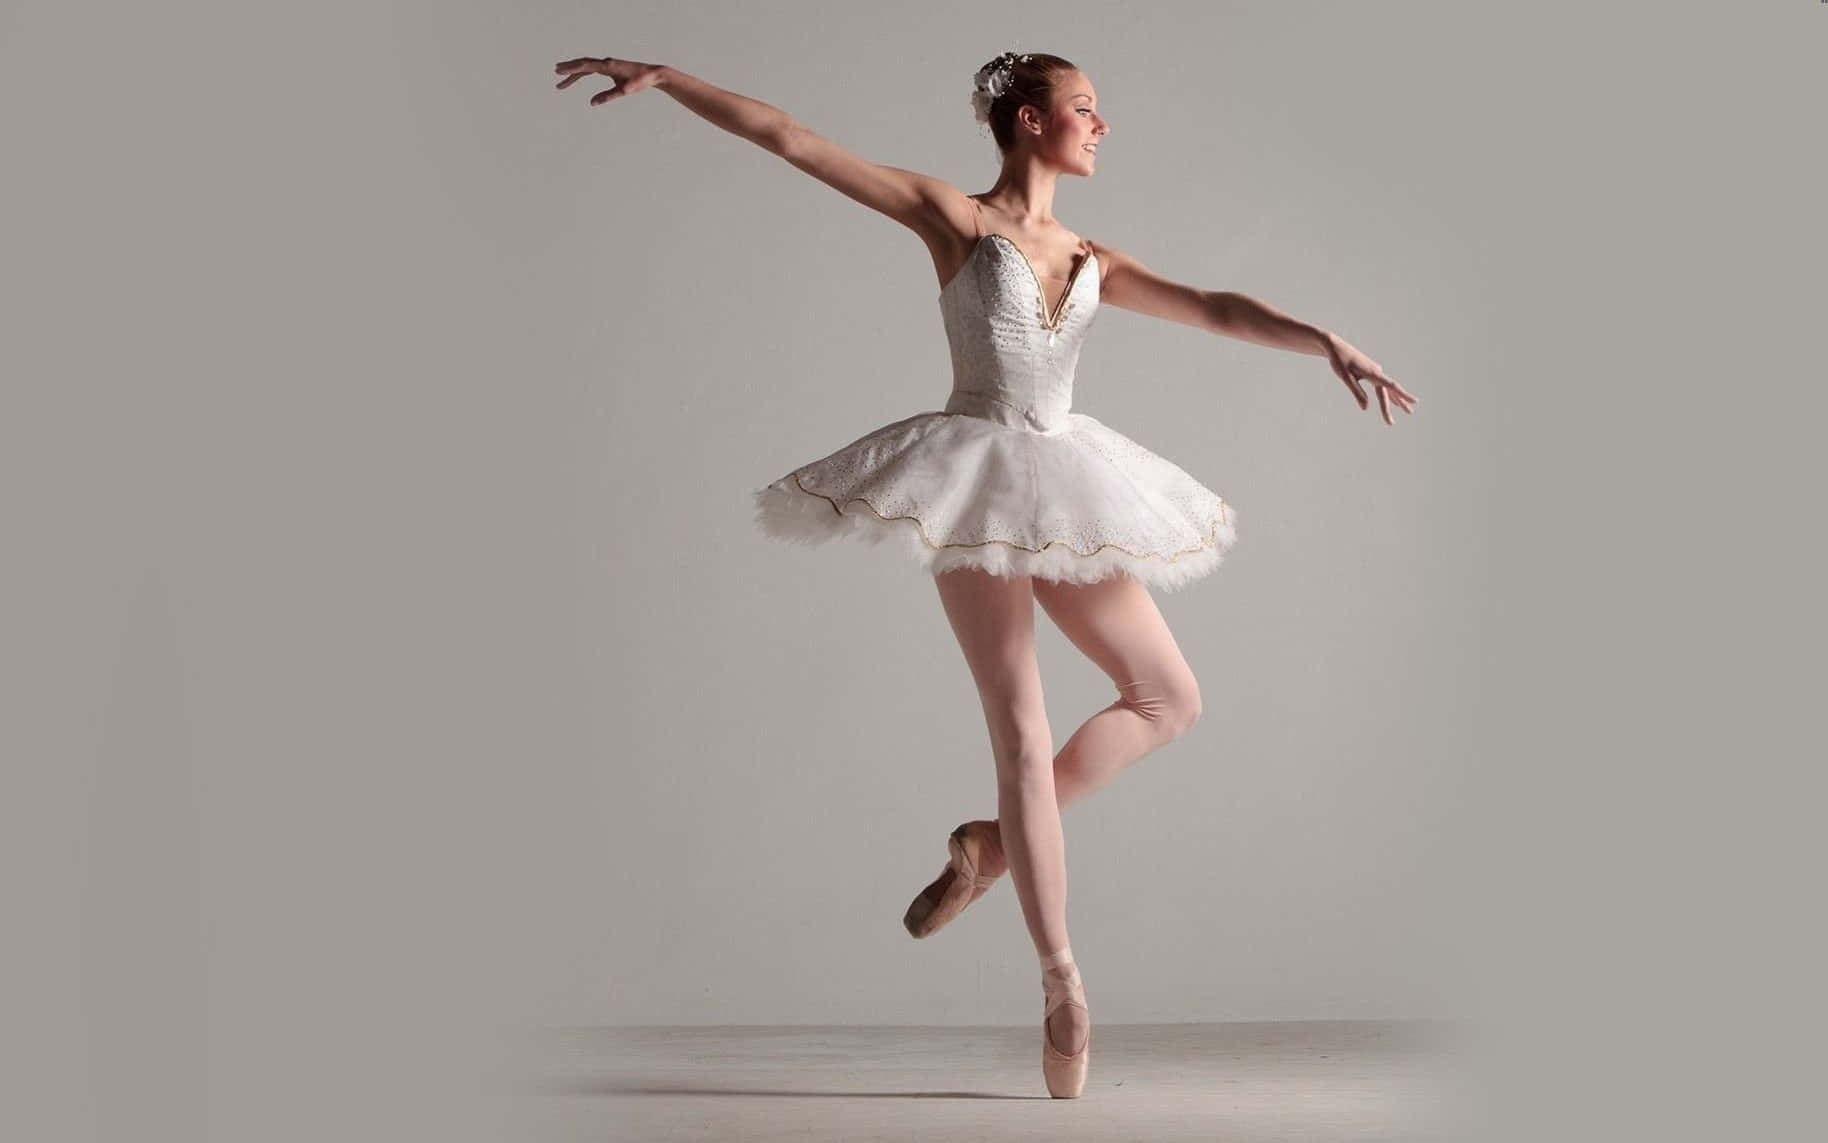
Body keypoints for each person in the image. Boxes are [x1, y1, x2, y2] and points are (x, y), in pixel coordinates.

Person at [555, 49, 1417, 1099]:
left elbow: (1217, 307)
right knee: (1017, 727)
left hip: (1068, 480)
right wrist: (672, 81)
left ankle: (990, 847)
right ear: (1025, 121)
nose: (1102, 127)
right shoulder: (953, 220)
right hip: (969, 477)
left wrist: (1322, 338)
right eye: (1085, 109)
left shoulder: (1092, 253)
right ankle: (1062, 983)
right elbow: (793, 139)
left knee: (1169, 697)